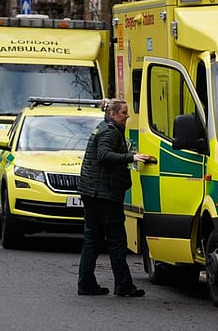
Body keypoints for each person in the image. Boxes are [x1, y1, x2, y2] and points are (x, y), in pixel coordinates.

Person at [77, 98, 149, 297]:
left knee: (92, 238)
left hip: (92, 192)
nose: (127, 116)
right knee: (117, 240)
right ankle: (123, 285)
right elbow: (104, 155)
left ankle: (86, 283)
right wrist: (132, 157)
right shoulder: (110, 131)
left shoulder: (103, 128)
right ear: (113, 114)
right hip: (104, 195)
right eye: (124, 112)